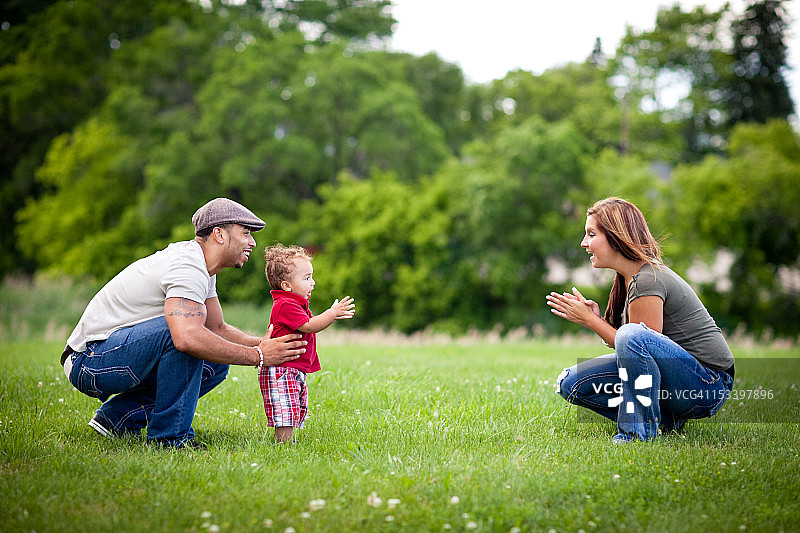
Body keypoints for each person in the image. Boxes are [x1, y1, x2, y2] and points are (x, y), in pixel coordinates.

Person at [61, 198, 308, 449]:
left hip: (108, 356)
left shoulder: (203, 267)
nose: (252, 242)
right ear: (219, 234)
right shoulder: (187, 267)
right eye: (245, 233)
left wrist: (265, 345)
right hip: (89, 361)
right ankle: (170, 439)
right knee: (185, 336)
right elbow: (186, 337)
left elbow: (217, 328)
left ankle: (117, 418)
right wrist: (259, 356)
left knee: (215, 363)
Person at [546, 197, 735, 443]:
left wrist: (592, 322)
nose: (584, 243)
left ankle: (638, 434)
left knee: (632, 335)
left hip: (708, 385)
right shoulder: (628, 279)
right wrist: (596, 319)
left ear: (616, 237)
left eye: (591, 234)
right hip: (680, 380)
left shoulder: (647, 279)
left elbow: (638, 344)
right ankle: (664, 420)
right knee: (570, 382)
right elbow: (635, 354)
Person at [259, 244, 355, 443]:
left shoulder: (294, 303)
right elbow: (309, 326)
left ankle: (287, 441)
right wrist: (332, 314)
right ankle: (284, 444)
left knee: (294, 405)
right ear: (286, 285)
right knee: (285, 409)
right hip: (281, 369)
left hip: (290, 368)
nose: (313, 282)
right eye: (306, 278)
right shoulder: (285, 304)